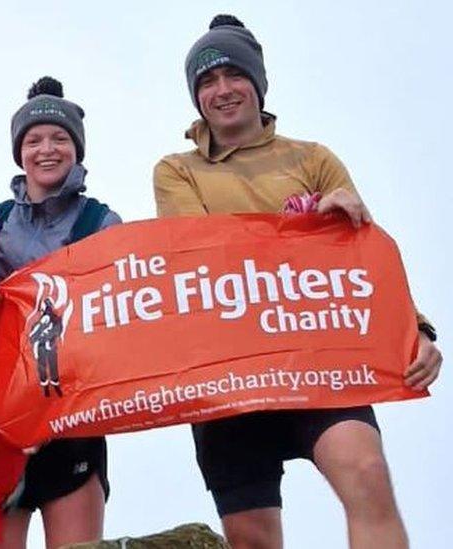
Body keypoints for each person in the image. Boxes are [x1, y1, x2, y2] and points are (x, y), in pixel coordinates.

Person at [153, 15, 442, 549]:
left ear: (258, 83)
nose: (222, 91)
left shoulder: (313, 158)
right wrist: (303, 225)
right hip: (229, 372)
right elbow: (199, 251)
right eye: (207, 82)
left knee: (368, 475)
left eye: (233, 76)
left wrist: (417, 328)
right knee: (253, 539)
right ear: (195, 97)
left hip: (320, 356)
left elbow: (359, 255)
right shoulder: (176, 170)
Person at [0, 76, 121, 549]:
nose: (47, 149)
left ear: (77, 150)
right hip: (2, 424)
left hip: (74, 420)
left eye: (60, 139)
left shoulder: (101, 222)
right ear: (19, 152)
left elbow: (120, 308)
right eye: (34, 139)